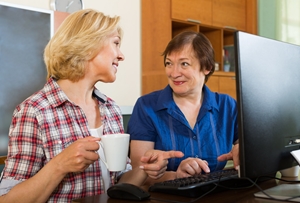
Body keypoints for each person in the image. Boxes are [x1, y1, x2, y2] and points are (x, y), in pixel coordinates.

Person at [0, 9, 183, 202]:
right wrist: (59, 165)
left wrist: (145, 169)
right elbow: (7, 199)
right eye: (116, 43)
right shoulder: (34, 110)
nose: (121, 56)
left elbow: (119, 183)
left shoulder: (110, 108)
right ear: (88, 45)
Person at [128, 31, 239, 184]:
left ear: (206, 67)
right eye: (169, 63)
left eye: (184, 64)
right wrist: (175, 176)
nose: (174, 73)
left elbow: (249, 144)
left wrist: (242, 149)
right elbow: (138, 173)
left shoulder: (227, 105)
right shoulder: (146, 106)